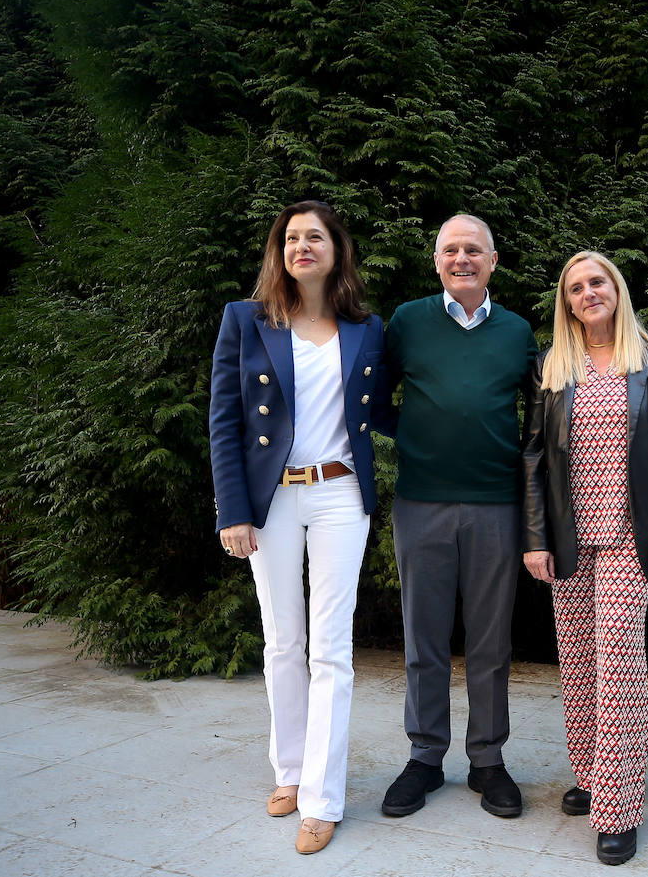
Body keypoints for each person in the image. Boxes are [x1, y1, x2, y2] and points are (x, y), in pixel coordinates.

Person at [209, 200, 388, 855]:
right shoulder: (245, 320)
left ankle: (322, 796)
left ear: (336, 249)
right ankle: (288, 770)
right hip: (272, 498)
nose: (302, 246)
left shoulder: (366, 329)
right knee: (283, 640)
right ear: (278, 251)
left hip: (342, 493)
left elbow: (392, 408)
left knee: (331, 649)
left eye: (315, 236)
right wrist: (233, 511)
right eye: (292, 237)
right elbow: (223, 419)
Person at [521, 251, 648, 866]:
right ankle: (592, 775)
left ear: (616, 289)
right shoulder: (553, 364)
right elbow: (535, 457)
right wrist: (536, 537)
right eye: (576, 288)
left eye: (597, 282)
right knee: (577, 662)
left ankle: (618, 809)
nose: (588, 293)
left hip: (629, 538)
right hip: (568, 537)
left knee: (618, 664)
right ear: (567, 302)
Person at [379, 214, 538, 820]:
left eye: (474, 249)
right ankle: (424, 757)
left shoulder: (518, 331)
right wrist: (416, 435)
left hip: (497, 504)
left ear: (493, 261)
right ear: (436, 259)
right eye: (451, 250)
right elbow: (374, 397)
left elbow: (540, 417)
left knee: (491, 639)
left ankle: (487, 760)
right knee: (423, 637)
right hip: (421, 502)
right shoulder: (408, 322)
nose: (462, 259)